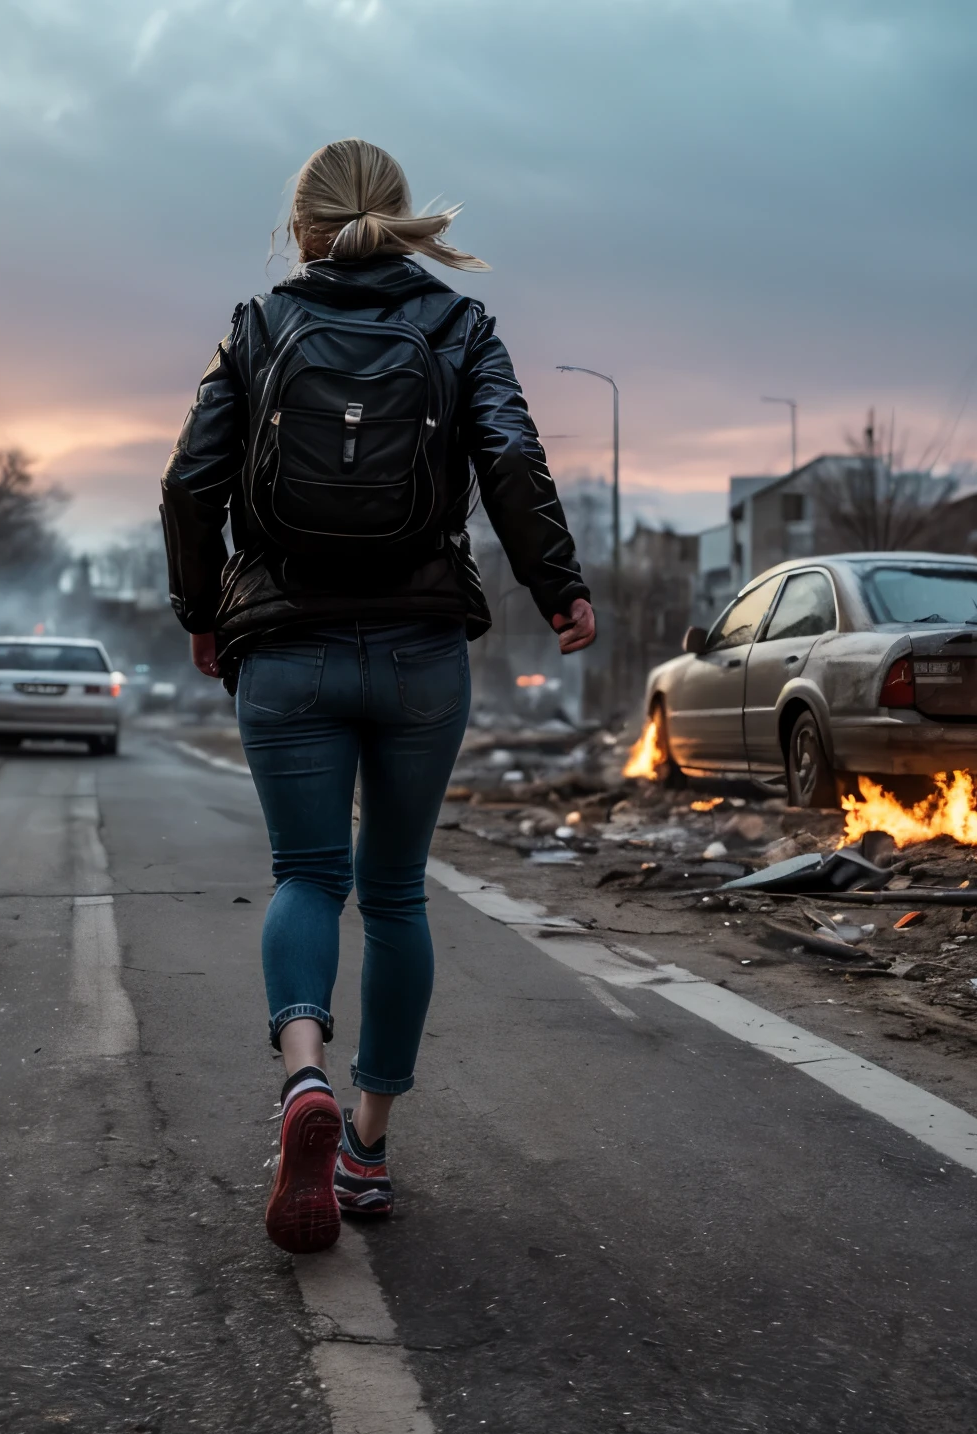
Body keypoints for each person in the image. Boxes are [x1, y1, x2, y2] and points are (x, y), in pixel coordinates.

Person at [159, 139, 595, 1255]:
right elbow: (509, 456)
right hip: (417, 654)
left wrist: (202, 612)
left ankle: (300, 1073)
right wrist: (558, 589)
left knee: (308, 876)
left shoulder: (258, 326)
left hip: (286, 648)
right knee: (395, 895)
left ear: (299, 226)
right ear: (401, 223)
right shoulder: (459, 328)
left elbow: (189, 481)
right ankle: (363, 1146)